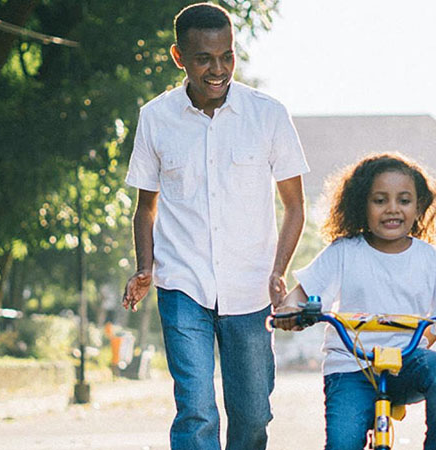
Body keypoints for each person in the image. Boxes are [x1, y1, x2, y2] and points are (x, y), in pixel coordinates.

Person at [120, 3, 309, 449]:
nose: (218, 68)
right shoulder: (155, 118)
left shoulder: (268, 114)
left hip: (250, 289)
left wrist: (279, 271)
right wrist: (145, 267)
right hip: (183, 285)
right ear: (179, 57)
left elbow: (295, 207)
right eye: (204, 58)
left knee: (253, 416)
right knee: (197, 411)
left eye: (227, 55)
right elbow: (146, 208)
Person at [275, 153, 436, 450]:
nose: (392, 209)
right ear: (361, 205)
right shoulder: (344, 251)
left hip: (408, 362)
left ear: (419, 207)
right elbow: (301, 294)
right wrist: (290, 309)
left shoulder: (429, 258)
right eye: (380, 200)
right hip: (351, 365)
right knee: (343, 443)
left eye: (404, 201)